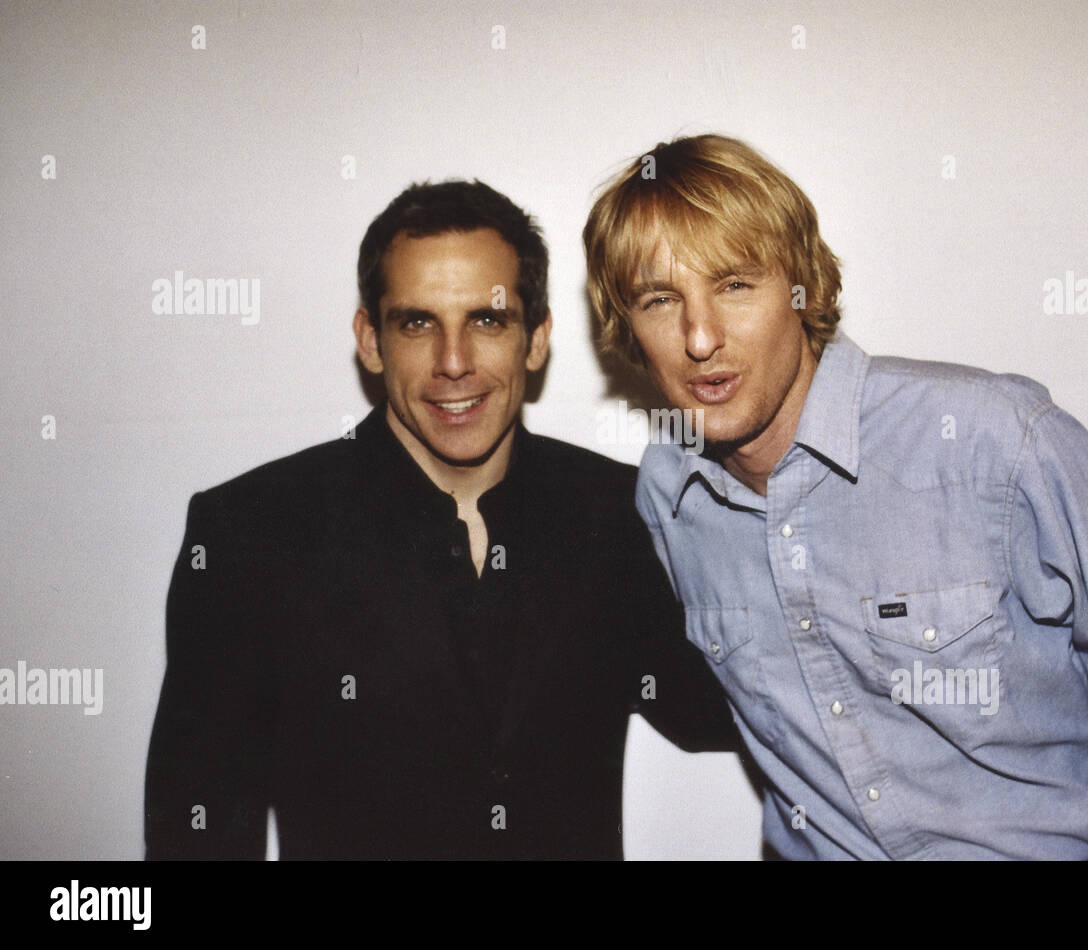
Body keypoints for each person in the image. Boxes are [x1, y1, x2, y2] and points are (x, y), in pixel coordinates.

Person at [582, 134, 1088, 860]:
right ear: (628, 330)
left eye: (735, 284)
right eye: (659, 300)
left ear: (803, 287)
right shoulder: (669, 495)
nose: (702, 336)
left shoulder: (998, 442)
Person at [145, 179, 738, 859]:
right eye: (417, 322)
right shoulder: (250, 536)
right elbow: (197, 831)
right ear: (371, 341)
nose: (453, 364)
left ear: (536, 339)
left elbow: (720, 712)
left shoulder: (621, 513)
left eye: (487, 320)